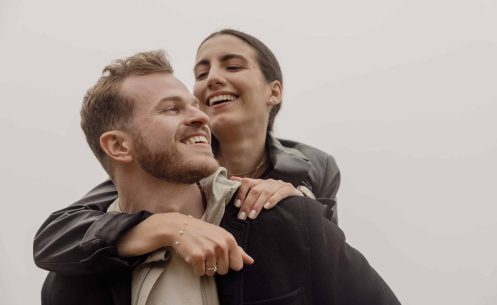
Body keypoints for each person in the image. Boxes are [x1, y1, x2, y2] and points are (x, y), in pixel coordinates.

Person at [41, 49, 399, 305]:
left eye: (194, 107)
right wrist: (168, 226)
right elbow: (56, 233)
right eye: (171, 109)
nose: (201, 117)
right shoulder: (73, 274)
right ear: (118, 146)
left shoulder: (290, 217)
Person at [33, 29, 340, 275]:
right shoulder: (172, 165)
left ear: (274, 91)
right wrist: (165, 224)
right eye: (201, 73)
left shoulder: (314, 165)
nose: (213, 78)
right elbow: (54, 236)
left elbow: (329, 259)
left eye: (232, 66)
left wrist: (301, 208)